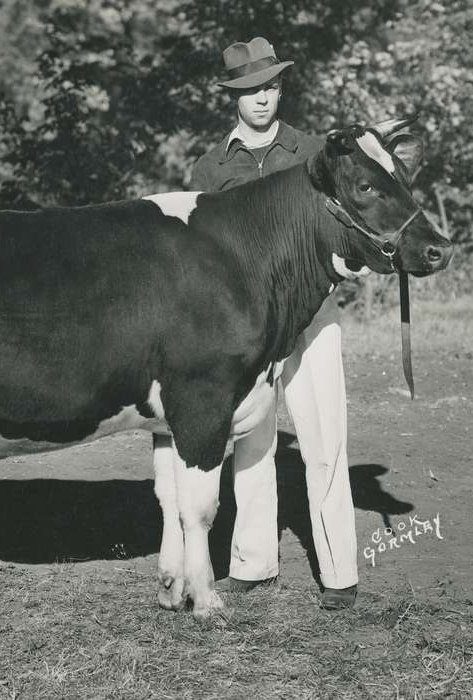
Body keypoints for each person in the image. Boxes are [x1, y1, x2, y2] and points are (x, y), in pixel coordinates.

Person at [190, 36, 358, 609]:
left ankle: (340, 575)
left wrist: (347, 260)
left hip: (312, 314)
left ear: (281, 87)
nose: (261, 99)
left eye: (269, 86)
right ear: (232, 98)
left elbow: (351, 221)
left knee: (324, 438)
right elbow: (202, 254)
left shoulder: (317, 153)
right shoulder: (210, 168)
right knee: (252, 442)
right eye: (248, 90)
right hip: (246, 326)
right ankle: (253, 564)